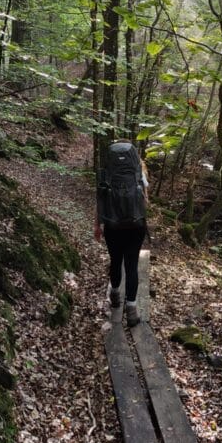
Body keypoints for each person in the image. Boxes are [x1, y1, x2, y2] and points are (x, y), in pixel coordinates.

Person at [94, 140, 148, 327]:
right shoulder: (138, 173)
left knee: (116, 260)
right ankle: (132, 312)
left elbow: (100, 199)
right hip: (136, 225)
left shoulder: (106, 175)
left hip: (113, 225)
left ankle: (115, 294)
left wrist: (97, 225)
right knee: (131, 266)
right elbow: (145, 201)